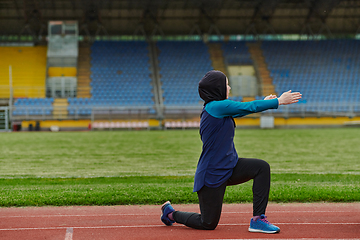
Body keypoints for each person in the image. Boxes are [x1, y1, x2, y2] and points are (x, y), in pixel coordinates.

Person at [160, 70, 302, 233]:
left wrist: (265, 102)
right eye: (226, 84)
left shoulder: (219, 109)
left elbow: (241, 110)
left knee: (261, 168)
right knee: (208, 223)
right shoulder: (215, 106)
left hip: (229, 166)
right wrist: (279, 101)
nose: (229, 87)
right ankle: (171, 214)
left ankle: (258, 220)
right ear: (217, 88)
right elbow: (247, 106)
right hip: (212, 174)